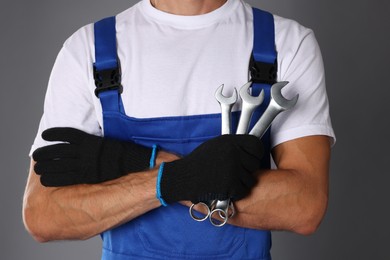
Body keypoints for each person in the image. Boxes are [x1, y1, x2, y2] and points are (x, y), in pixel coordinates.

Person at [23, 0, 335, 259]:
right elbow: (43, 214)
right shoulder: (88, 50)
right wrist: (182, 177)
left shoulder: (286, 43)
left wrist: (136, 163)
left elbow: (305, 205)